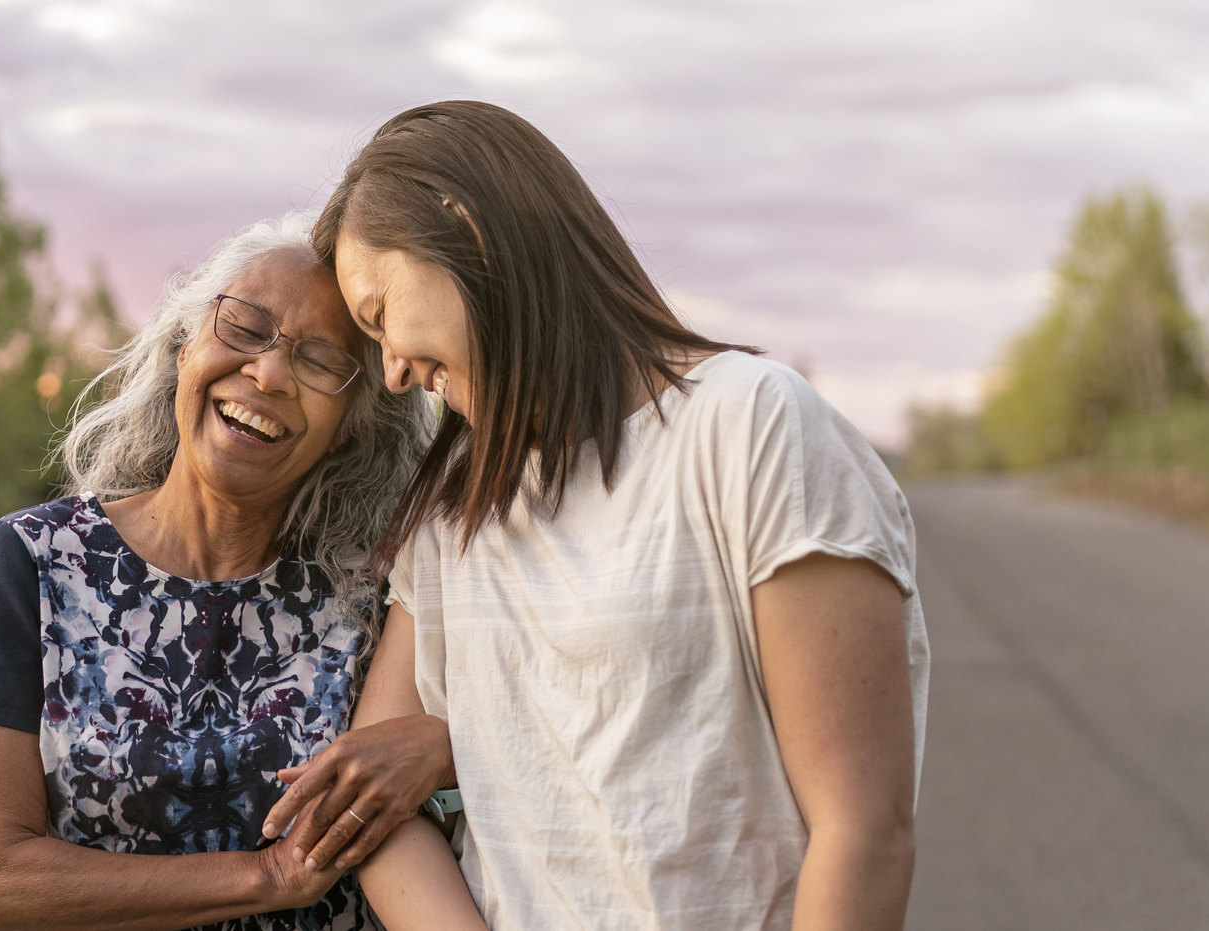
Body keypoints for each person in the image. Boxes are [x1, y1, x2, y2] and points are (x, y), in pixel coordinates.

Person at [268, 101, 929, 931]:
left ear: (465, 229)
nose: (392, 370)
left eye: (379, 315)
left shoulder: (750, 427)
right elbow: (370, 809)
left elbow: (861, 830)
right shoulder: (452, 509)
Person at [0, 212, 437, 931]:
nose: (266, 372)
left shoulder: (381, 593)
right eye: (244, 327)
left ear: (354, 423)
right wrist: (268, 875)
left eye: (320, 361)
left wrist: (442, 750)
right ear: (183, 345)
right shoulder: (34, 560)